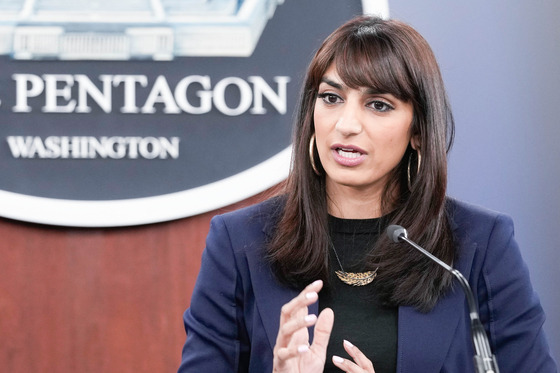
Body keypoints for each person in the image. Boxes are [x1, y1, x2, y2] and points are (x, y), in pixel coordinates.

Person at [177, 16, 557, 373]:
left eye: (378, 105)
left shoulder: (478, 246)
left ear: (419, 131)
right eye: (331, 98)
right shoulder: (239, 241)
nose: (346, 124)